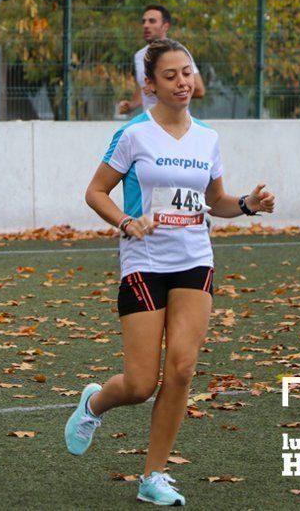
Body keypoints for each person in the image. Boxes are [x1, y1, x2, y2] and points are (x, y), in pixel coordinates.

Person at [65, 38, 275, 507]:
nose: (182, 82)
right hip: (144, 262)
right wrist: (126, 221)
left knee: (181, 368)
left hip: (195, 260)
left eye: (187, 73)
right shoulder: (134, 134)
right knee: (141, 384)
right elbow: (96, 192)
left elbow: (213, 201)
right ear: (150, 84)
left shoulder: (208, 138)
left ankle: (153, 476)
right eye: (170, 76)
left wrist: (246, 205)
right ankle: (95, 403)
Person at [118, 5, 206, 115]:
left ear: (165, 26)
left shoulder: (179, 53)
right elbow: (143, 88)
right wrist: (131, 105)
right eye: (144, 21)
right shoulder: (139, 56)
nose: (146, 25)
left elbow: (199, 90)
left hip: (176, 124)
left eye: (152, 21)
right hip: (150, 124)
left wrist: (160, 90)